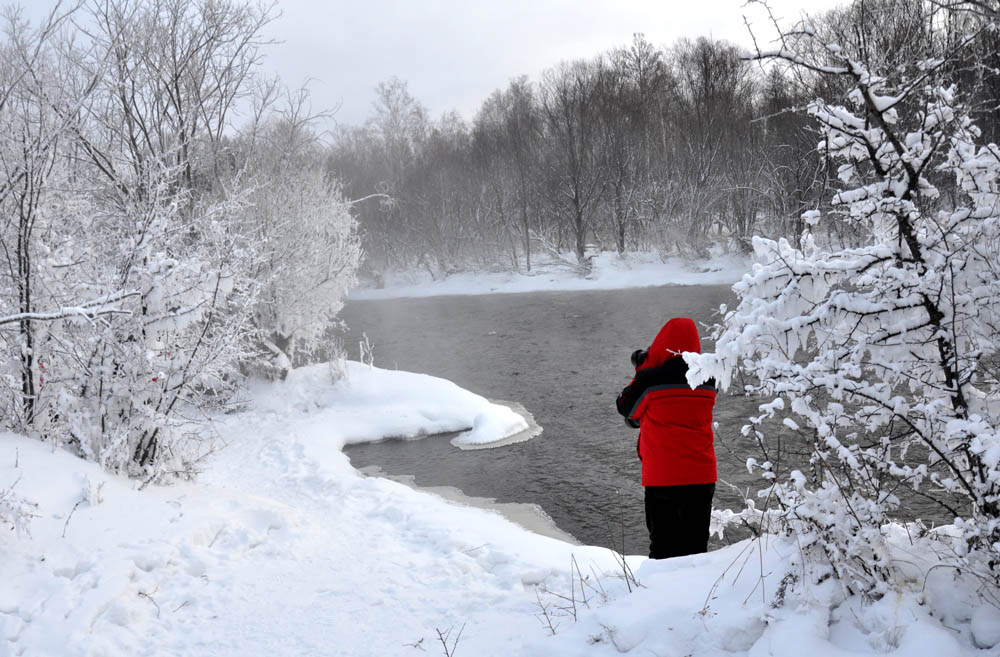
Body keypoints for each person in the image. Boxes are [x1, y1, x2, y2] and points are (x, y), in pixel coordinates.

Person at [615, 317, 717, 559]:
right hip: (702, 475)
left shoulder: (650, 381)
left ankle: (661, 595)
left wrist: (642, 370)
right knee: (696, 549)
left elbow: (626, 409)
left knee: (662, 548)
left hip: (664, 477)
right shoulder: (709, 380)